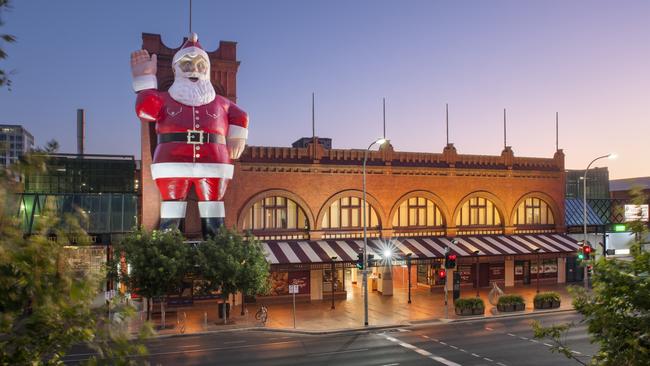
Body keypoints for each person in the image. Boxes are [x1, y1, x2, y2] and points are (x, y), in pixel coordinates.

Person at [130, 33, 249, 238]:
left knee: (213, 205)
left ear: (207, 71)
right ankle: (166, 246)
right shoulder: (165, 99)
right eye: (186, 65)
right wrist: (145, 80)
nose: (193, 70)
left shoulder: (220, 102)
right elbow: (145, 111)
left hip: (214, 160)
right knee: (171, 205)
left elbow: (241, 114)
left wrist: (237, 136)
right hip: (172, 159)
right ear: (176, 69)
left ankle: (216, 247)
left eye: (200, 65)